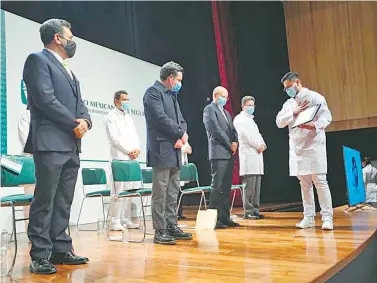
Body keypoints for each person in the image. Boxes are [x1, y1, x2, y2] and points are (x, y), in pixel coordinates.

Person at [23, 19, 91, 274]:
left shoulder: (69, 70)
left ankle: (61, 248)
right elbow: (44, 99)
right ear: (57, 38)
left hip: (71, 144)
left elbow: (80, 104)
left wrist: (86, 121)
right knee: (45, 200)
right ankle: (40, 254)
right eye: (70, 36)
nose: (73, 41)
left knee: (64, 200)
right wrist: (73, 123)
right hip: (51, 142)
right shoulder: (37, 60)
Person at [276, 72, 333, 230]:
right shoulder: (289, 104)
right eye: (285, 89)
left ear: (297, 82)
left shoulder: (315, 97)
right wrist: (293, 113)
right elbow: (279, 121)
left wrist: (314, 125)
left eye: (289, 87)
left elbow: (327, 117)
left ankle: (327, 217)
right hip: (297, 148)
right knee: (304, 184)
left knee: (320, 181)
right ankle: (308, 217)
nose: (288, 90)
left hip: (313, 144)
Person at [143, 61, 192, 245]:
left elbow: (181, 120)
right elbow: (159, 118)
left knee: (173, 191)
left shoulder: (172, 96)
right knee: (160, 192)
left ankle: (172, 224)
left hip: (175, 149)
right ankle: (160, 229)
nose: (180, 83)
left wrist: (182, 136)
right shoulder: (153, 93)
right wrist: (180, 134)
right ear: (170, 78)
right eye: (178, 79)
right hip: (161, 149)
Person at [203, 86, 239, 229]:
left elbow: (233, 130)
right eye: (223, 96)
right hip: (218, 153)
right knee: (217, 187)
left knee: (226, 187)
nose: (225, 99)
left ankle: (225, 217)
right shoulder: (209, 109)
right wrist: (229, 144)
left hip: (229, 153)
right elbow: (215, 129)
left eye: (226, 97)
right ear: (215, 96)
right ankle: (215, 219)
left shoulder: (227, 113)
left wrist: (235, 142)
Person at [104, 90, 141, 231]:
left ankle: (126, 219)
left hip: (131, 159)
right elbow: (114, 138)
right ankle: (114, 221)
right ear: (116, 101)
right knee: (118, 192)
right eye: (124, 99)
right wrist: (128, 150)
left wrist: (136, 149)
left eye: (127, 99)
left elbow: (135, 136)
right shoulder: (110, 117)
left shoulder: (129, 118)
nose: (126, 102)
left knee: (129, 191)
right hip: (119, 158)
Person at [233, 96, 266, 219]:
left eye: (253, 105)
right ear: (243, 106)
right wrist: (258, 145)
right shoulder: (240, 119)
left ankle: (255, 209)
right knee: (250, 185)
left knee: (256, 185)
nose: (251, 107)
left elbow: (258, 135)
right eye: (249, 105)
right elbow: (245, 136)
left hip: (257, 153)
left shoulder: (251, 120)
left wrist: (262, 144)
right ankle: (249, 211)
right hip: (248, 152)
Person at [178, 141, 192, 220]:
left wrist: (183, 147)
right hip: (176, 165)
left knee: (180, 191)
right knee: (175, 191)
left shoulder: (184, 140)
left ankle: (180, 212)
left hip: (183, 165)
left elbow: (189, 150)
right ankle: (175, 212)